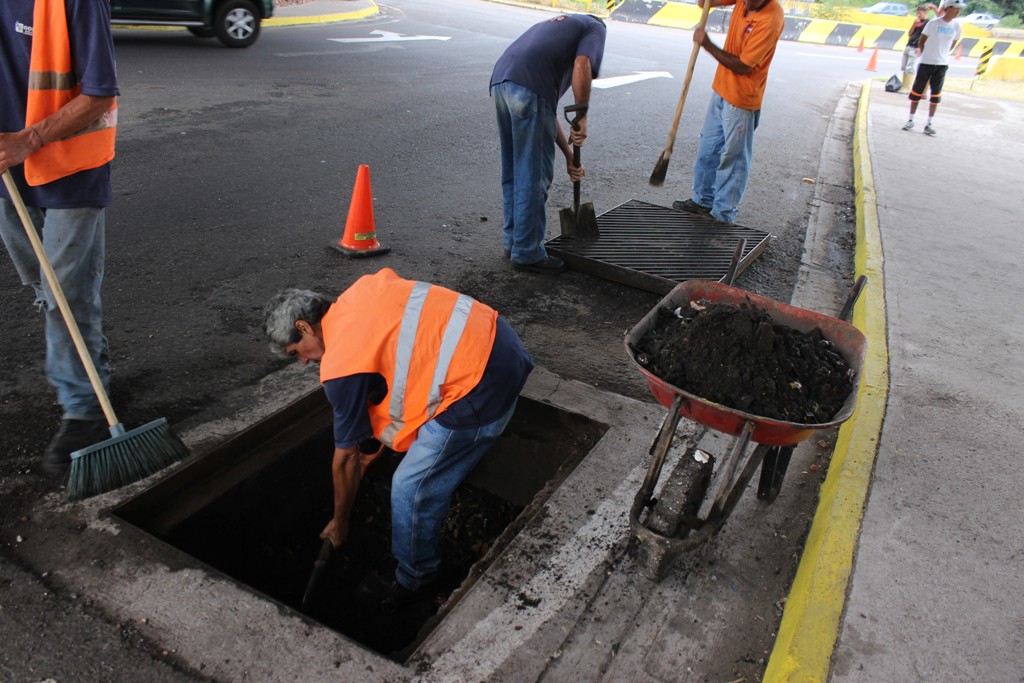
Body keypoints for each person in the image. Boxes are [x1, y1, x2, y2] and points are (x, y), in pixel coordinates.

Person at [263, 268, 535, 608]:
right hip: (502, 343)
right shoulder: (361, 292)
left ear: (304, 327)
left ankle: (415, 579)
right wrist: (376, 447)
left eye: (296, 352)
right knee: (407, 450)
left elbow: (345, 458)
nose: (303, 361)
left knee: (410, 486)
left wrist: (340, 521)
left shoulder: (341, 366)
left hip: (483, 388)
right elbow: (409, 364)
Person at [0, 0, 120, 475]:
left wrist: (28, 139)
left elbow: (100, 92)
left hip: (70, 168)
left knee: (64, 295)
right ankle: (94, 372)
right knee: (42, 287)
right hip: (10, 171)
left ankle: (84, 409)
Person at [490, 14, 607, 274]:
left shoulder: (556, 27)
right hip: (528, 91)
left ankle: (513, 243)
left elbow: (545, 111)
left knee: (513, 170)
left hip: (501, 82)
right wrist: (582, 115)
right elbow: (583, 63)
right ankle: (527, 252)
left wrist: (568, 156)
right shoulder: (595, 26)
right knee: (533, 176)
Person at [672, 0, 784, 225]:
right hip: (721, 90)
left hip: (742, 99)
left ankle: (723, 214)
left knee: (733, 159)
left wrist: (707, 44)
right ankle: (703, 200)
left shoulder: (771, 19)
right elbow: (704, 3)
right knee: (708, 149)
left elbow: (743, 66)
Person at [902, 0, 963, 136]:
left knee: (935, 95)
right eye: (956, 9)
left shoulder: (957, 25)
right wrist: (926, 53)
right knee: (917, 92)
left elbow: (953, 42)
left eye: (959, 9)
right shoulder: (933, 23)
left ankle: (929, 123)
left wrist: (943, 54)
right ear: (948, 8)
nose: (958, 12)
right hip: (926, 62)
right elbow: (922, 40)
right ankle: (910, 119)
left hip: (941, 64)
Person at [901, 4, 940, 93]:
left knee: (910, 67)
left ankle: (907, 87)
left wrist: (921, 47)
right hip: (909, 45)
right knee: (904, 67)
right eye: (917, 13)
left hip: (916, 47)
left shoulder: (928, 23)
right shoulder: (917, 21)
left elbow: (928, 36)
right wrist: (915, 24)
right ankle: (904, 84)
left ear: (925, 13)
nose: (919, 15)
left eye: (920, 13)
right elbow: (910, 33)